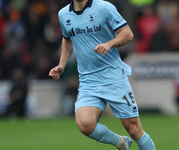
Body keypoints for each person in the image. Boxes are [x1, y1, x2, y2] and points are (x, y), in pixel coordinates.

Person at [49, 0, 156, 150]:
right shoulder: (63, 14)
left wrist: (110, 43)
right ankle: (120, 143)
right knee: (85, 124)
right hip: (88, 81)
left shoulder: (104, 7)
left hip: (113, 77)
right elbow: (67, 41)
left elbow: (127, 34)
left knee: (134, 129)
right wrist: (61, 65)